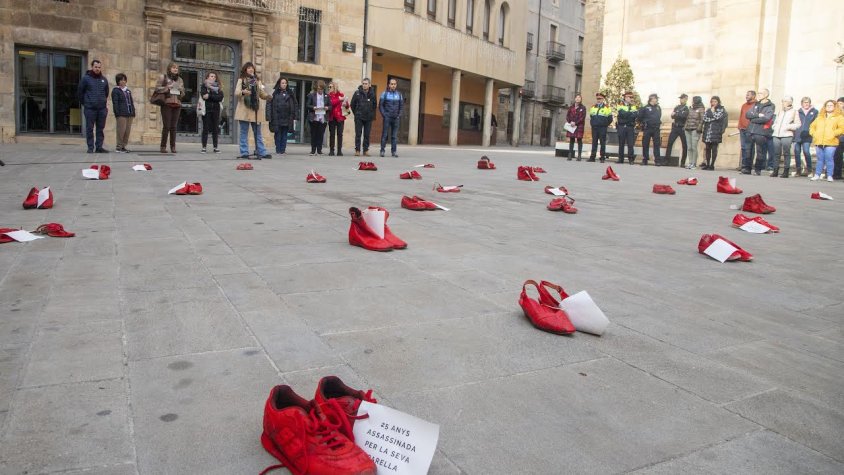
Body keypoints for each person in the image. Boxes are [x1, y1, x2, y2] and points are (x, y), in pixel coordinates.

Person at [234, 62, 271, 159]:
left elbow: (261, 93)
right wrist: (243, 92)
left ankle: (261, 152)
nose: (251, 70)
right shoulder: (241, 80)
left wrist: (267, 96)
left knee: (258, 132)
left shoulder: (257, 81)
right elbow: (237, 92)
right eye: (249, 68)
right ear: (245, 70)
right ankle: (244, 152)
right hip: (244, 109)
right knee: (244, 132)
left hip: (255, 110)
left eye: (252, 68)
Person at [77, 59, 109, 153]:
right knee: (89, 128)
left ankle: (99, 147)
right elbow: (80, 92)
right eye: (95, 67)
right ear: (92, 67)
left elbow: (106, 92)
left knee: (100, 128)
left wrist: (103, 103)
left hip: (102, 109)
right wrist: (86, 103)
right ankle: (90, 147)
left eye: (99, 67)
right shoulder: (86, 79)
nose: (97, 69)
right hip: (90, 109)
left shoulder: (104, 79)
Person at [809, 99, 844, 182]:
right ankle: (817, 174)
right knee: (820, 159)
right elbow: (812, 127)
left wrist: (833, 133)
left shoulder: (839, 117)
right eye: (827, 105)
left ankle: (829, 175)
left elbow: (842, 128)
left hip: (831, 141)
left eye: (831, 105)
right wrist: (814, 134)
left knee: (829, 158)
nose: (829, 107)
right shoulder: (820, 117)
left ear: (834, 106)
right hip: (819, 141)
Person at [154, 62, 184, 153]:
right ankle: (163, 146)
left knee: (174, 127)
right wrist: (168, 87)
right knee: (166, 126)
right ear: (169, 69)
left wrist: (181, 90)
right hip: (167, 104)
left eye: (177, 68)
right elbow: (157, 89)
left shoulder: (180, 80)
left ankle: (173, 146)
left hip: (177, 104)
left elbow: (183, 93)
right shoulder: (163, 77)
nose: (175, 69)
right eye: (173, 68)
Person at [743, 88, 774, 175]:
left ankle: (758, 169)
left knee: (760, 151)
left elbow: (766, 118)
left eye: (760, 93)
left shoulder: (770, 106)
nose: (758, 95)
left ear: (766, 95)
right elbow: (747, 114)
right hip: (750, 130)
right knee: (748, 150)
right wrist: (757, 115)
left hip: (760, 132)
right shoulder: (756, 104)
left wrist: (753, 119)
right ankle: (747, 168)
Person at [770, 96, 800, 178]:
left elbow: (798, 124)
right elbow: (775, 121)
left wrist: (788, 127)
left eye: (785, 101)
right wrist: (774, 127)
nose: (783, 103)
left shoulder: (794, 111)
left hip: (787, 134)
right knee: (776, 153)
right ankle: (775, 170)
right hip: (776, 134)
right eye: (783, 101)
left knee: (786, 153)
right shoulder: (780, 111)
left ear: (790, 102)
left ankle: (786, 171)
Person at [266, 76, 297, 155]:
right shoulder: (274, 92)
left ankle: (283, 150)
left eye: (285, 83)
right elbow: (269, 104)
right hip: (277, 117)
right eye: (282, 83)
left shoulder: (290, 93)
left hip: (287, 117)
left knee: (284, 135)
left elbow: (295, 104)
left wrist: (295, 116)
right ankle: (278, 150)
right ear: (279, 84)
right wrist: (268, 116)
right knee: (278, 134)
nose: (284, 84)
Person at [351, 77, 377, 157]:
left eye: (366, 84)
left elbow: (374, 105)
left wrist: (370, 113)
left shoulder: (372, 94)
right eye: (363, 83)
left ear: (369, 85)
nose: (364, 85)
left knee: (367, 135)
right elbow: (352, 105)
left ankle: (365, 150)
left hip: (368, 118)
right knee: (358, 134)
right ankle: (357, 150)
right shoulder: (357, 93)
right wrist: (356, 113)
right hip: (359, 117)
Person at [200, 71, 224, 154]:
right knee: (205, 128)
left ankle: (215, 147)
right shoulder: (204, 86)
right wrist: (213, 97)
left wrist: (209, 96)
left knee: (215, 129)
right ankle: (204, 147)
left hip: (216, 110)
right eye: (211, 76)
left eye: (214, 76)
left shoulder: (218, 87)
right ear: (207, 77)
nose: (213, 78)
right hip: (206, 109)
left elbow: (220, 97)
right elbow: (203, 95)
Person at [110, 72, 135, 153]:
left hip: (129, 113)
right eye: (121, 80)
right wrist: (117, 113)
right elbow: (115, 103)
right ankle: (119, 147)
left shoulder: (128, 91)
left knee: (127, 131)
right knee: (121, 131)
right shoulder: (116, 91)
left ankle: (124, 146)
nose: (123, 81)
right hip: (121, 114)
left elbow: (131, 101)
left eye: (124, 80)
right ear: (118, 81)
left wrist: (133, 112)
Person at [701, 96, 727, 170]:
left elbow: (717, 117)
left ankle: (712, 165)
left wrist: (712, 113)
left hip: (716, 131)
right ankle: (708, 164)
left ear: (718, 102)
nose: (713, 103)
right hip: (708, 131)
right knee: (707, 148)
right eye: (712, 101)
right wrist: (712, 117)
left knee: (714, 149)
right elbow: (705, 118)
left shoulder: (721, 109)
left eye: (715, 101)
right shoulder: (709, 109)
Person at [379, 78, 403, 157]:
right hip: (387, 117)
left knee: (394, 136)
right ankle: (382, 151)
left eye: (394, 84)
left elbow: (401, 106)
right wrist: (384, 115)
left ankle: (394, 152)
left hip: (396, 118)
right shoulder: (384, 94)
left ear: (396, 85)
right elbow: (381, 105)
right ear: (389, 85)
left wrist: (399, 115)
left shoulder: (399, 95)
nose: (393, 85)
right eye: (391, 84)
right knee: (385, 135)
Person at [305, 80, 330, 156]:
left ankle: (319, 150)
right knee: (314, 134)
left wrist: (327, 108)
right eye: (319, 89)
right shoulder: (312, 95)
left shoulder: (327, 96)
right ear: (316, 88)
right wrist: (313, 107)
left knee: (320, 134)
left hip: (323, 117)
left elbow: (330, 106)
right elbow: (307, 105)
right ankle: (313, 150)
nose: (320, 90)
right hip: (314, 117)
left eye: (321, 89)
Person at [794, 97, 817, 176]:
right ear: (802, 103)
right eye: (804, 102)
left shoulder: (814, 112)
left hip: (807, 135)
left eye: (807, 102)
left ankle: (810, 170)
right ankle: (798, 170)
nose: (806, 104)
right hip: (798, 134)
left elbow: (816, 123)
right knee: (797, 152)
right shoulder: (798, 111)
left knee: (806, 151)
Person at [638, 93, 663, 166]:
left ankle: (657, 160)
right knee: (645, 144)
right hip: (647, 128)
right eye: (656, 98)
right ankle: (645, 159)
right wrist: (644, 123)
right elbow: (639, 117)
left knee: (657, 145)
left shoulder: (658, 107)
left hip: (656, 129)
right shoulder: (645, 108)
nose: (657, 99)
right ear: (652, 99)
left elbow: (659, 116)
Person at [665, 94, 689, 167]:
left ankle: (682, 163)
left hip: (682, 128)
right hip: (675, 127)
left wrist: (677, 114)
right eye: (681, 98)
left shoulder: (686, 108)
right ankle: (667, 160)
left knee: (684, 146)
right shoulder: (677, 107)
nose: (681, 100)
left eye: (683, 98)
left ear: (686, 99)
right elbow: (672, 116)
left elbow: (684, 116)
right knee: (670, 143)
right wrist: (677, 114)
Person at [588, 92, 612, 162]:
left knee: (602, 143)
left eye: (600, 99)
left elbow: (610, 119)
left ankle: (602, 157)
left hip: (602, 128)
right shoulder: (593, 107)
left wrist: (604, 125)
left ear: (603, 99)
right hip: (595, 128)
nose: (599, 100)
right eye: (597, 99)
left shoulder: (607, 108)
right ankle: (592, 157)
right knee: (594, 142)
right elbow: (591, 116)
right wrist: (593, 124)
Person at [615, 91, 637, 164]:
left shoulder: (633, 106)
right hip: (622, 126)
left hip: (630, 127)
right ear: (625, 97)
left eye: (631, 97)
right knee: (621, 143)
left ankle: (631, 159)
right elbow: (622, 114)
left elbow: (635, 115)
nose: (630, 98)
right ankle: (620, 159)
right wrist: (630, 113)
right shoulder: (620, 105)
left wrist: (628, 115)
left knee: (630, 144)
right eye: (628, 97)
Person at [327, 81, 349, 156]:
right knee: (332, 134)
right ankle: (331, 150)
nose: (329, 88)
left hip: (340, 117)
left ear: (335, 87)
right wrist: (339, 100)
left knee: (340, 134)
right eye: (328, 87)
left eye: (330, 87)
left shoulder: (341, 94)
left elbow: (347, 106)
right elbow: (331, 103)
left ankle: (339, 150)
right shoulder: (328, 96)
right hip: (332, 117)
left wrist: (345, 103)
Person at [737, 90, 757, 171]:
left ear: (753, 96)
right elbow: (741, 115)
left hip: (751, 129)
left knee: (750, 148)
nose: (746, 96)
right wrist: (739, 125)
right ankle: (743, 165)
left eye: (748, 95)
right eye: (746, 95)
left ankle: (749, 165)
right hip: (742, 128)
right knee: (743, 147)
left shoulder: (756, 105)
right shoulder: (744, 105)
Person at [684, 96, 705, 169]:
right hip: (688, 129)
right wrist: (685, 126)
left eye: (693, 100)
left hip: (695, 129)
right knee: (689, 147)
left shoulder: (701, 109)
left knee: (694, 147)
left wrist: (699, 128)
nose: (692, 102)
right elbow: (687, 118)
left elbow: (702, 120)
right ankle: (690, 162)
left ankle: (694, 163)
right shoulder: (691, 108)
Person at [565, 94, 586, 161]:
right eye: (576, 97)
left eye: (579, 97)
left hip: (579, 126)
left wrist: (575, 123)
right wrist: (570, 122)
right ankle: (570, 155)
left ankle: (579, 156)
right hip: (571, 125)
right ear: (574, 99)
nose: (577, 98)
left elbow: (582, 117)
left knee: (579, 140)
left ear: (581, 99)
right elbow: (567, 116)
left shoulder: (583, 108)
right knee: (572, 140)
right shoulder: (571, 107)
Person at [832, 97, 844, 180]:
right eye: (838, 103)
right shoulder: (835, 114)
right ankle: (837, 174)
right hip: (839, 138)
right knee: (837, 156)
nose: (839, 105)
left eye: (841, 103)